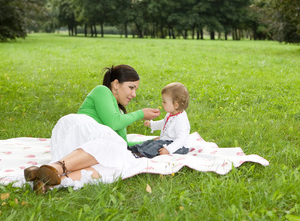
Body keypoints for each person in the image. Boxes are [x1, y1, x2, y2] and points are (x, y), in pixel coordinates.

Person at [24, 65, 160, 193]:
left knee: (117, 164)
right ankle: (55, 168)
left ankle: (48, 182)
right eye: (131, 87)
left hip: (87, 151)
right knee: (113, 147)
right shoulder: (102, 91)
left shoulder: (120, 114)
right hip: (76, 130)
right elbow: (113, 122)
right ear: (116, 84)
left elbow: (122, 144)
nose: (134, 94)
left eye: (135, 89)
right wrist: (140, 113)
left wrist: (150, 143)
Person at [129, 82, 190, 158]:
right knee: (151, 142)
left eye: (164, 102)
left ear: (176, 105)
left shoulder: (181, 120)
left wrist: (168, 149)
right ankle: (134, 149)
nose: (162, 103)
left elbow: (181, 140)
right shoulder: (171, 113)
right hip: (166, 141)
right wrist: (152, 124)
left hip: (178, 147)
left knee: (156, 146)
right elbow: (164, 123)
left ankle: (141, 154)